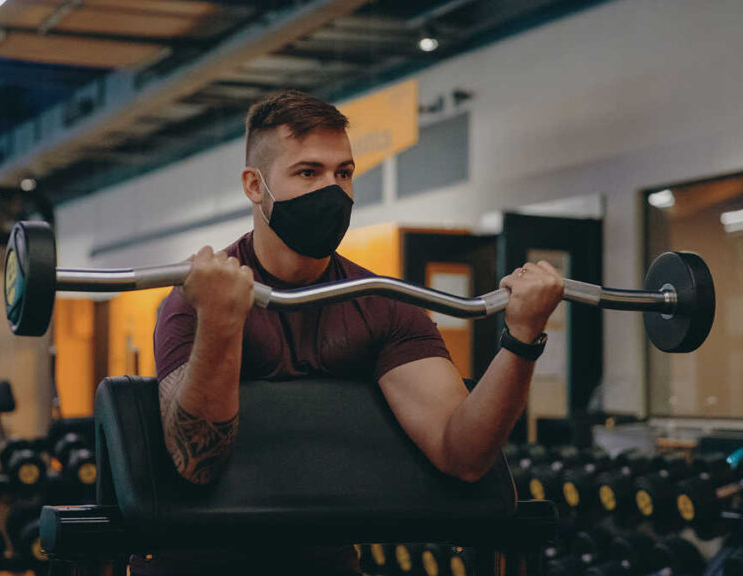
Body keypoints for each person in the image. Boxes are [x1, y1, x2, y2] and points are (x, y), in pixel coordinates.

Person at [139, 90, 564, 575]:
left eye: (343, 173)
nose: (332, 191)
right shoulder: (195, 299)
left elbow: (461, 453)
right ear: (254, 186)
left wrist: (522, 340)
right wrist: (219, 322)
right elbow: (197, 465)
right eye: (308, 172)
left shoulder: (381, 304)